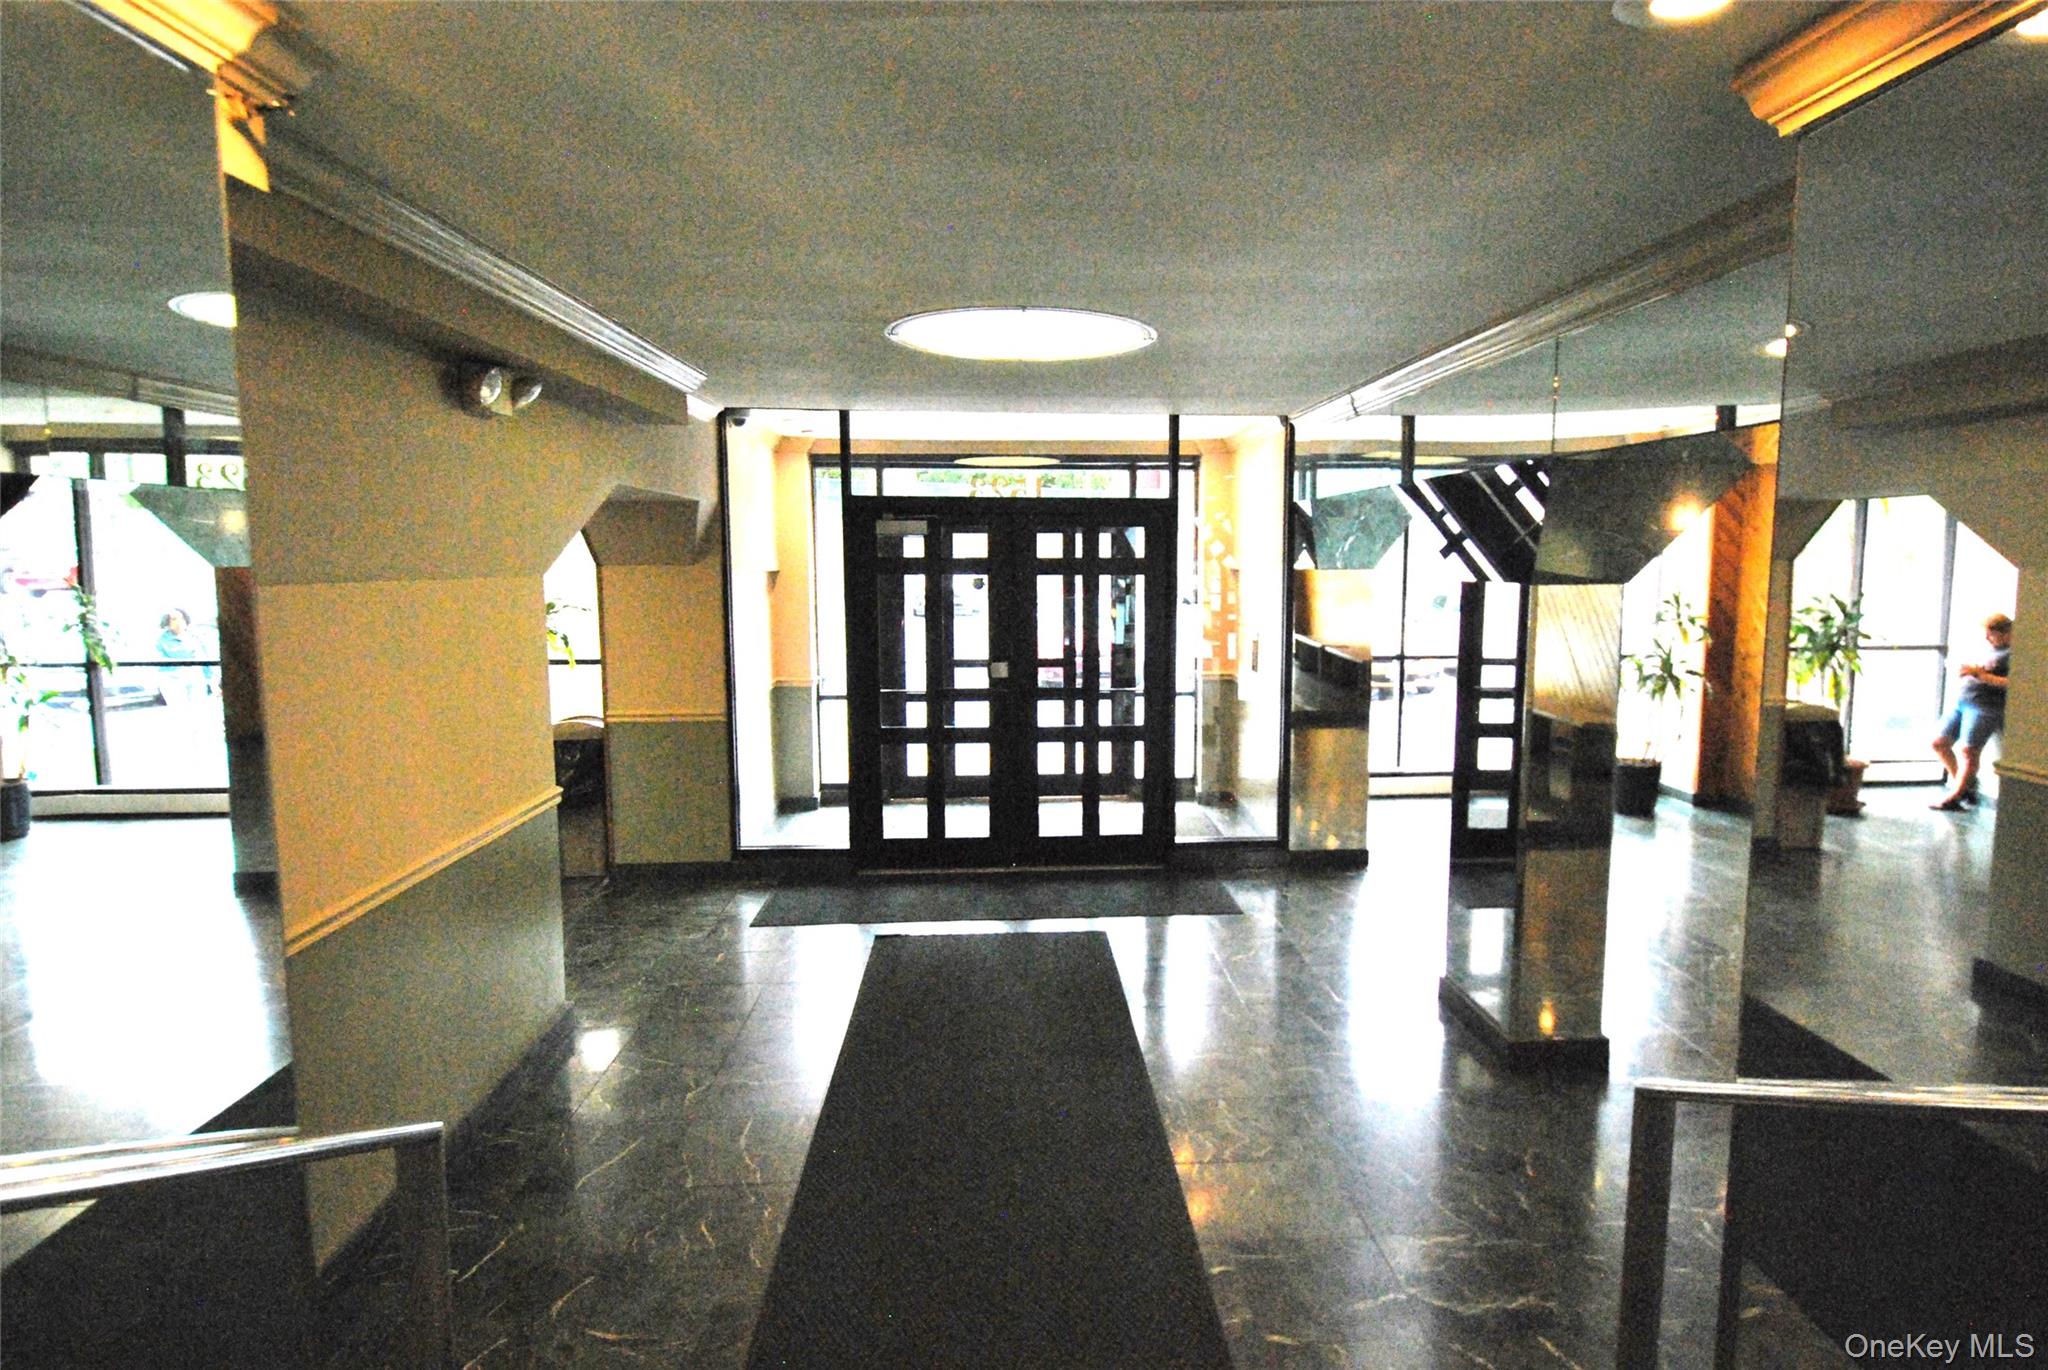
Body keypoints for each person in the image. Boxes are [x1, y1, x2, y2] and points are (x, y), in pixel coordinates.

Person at [1930, 612, 2012, 810]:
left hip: (1986, 708)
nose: (1987, 638)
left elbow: (2012, 684)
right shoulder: (1989, 649)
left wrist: (1980, 675)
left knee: (1970, 751)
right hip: (1963, 701)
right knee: (1940, 743)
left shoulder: (2013, 654)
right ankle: (1965, 785)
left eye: (1991, 634)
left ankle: (1955, 796)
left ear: (2006, 633)